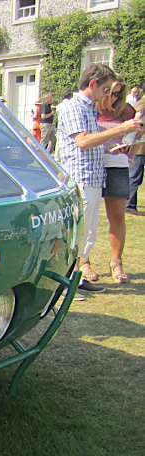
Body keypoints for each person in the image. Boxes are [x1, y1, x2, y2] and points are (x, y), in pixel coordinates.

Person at [56, 63, 142, 298]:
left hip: (93, 176)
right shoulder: (73, 107)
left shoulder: (88, 108)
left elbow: (91, 143)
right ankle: (64, 286)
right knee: (76, 234)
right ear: (93, 84)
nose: (108, 96)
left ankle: (77, 279)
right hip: (80, 178)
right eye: (106, 90)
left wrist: (111, 148)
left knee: (88, 233)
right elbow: (82, 141)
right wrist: (120, 129)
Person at [96, 77, 135, 283]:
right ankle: (84, 263)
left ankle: (116, 262)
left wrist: (130, 155)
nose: (113, 97)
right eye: (110, 92)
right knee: (88, 217)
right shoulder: (91, 109)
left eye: (118, 93)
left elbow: (138, 136)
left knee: (118, 216)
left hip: (117, 166)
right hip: (92, 166)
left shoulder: (126, 111)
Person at [127, 97, 145, 216]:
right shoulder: (141, 107)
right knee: (135, 177)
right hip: (139, 149)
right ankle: (129, 205)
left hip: (141, 148)